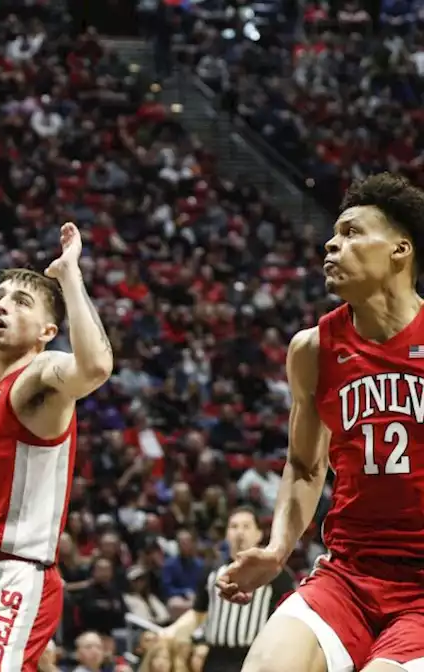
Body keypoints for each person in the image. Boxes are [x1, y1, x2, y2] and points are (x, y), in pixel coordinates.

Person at [220, 172, 424, 672]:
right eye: (334, 233)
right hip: (348, 574)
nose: (332, 243)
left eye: (353, 232)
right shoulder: (312, 349)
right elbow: (306, 467)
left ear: (400, 250)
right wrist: (276, 548)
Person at [0, 223, 114, 672]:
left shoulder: (40, 376)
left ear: (47, 331)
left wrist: (70, 275)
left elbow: (94, 368)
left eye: (22, 302)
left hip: (12, 574)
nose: (2, 305)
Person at [163, 508, 294, 671]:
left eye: (246, 527)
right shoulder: (211, 570)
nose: (240, 532)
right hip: (215, 659)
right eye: (234, 526)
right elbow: (199, 612)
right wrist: (172, 631)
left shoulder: (276, 573)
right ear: (226, 534)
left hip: (253, 659)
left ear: (259, 534)